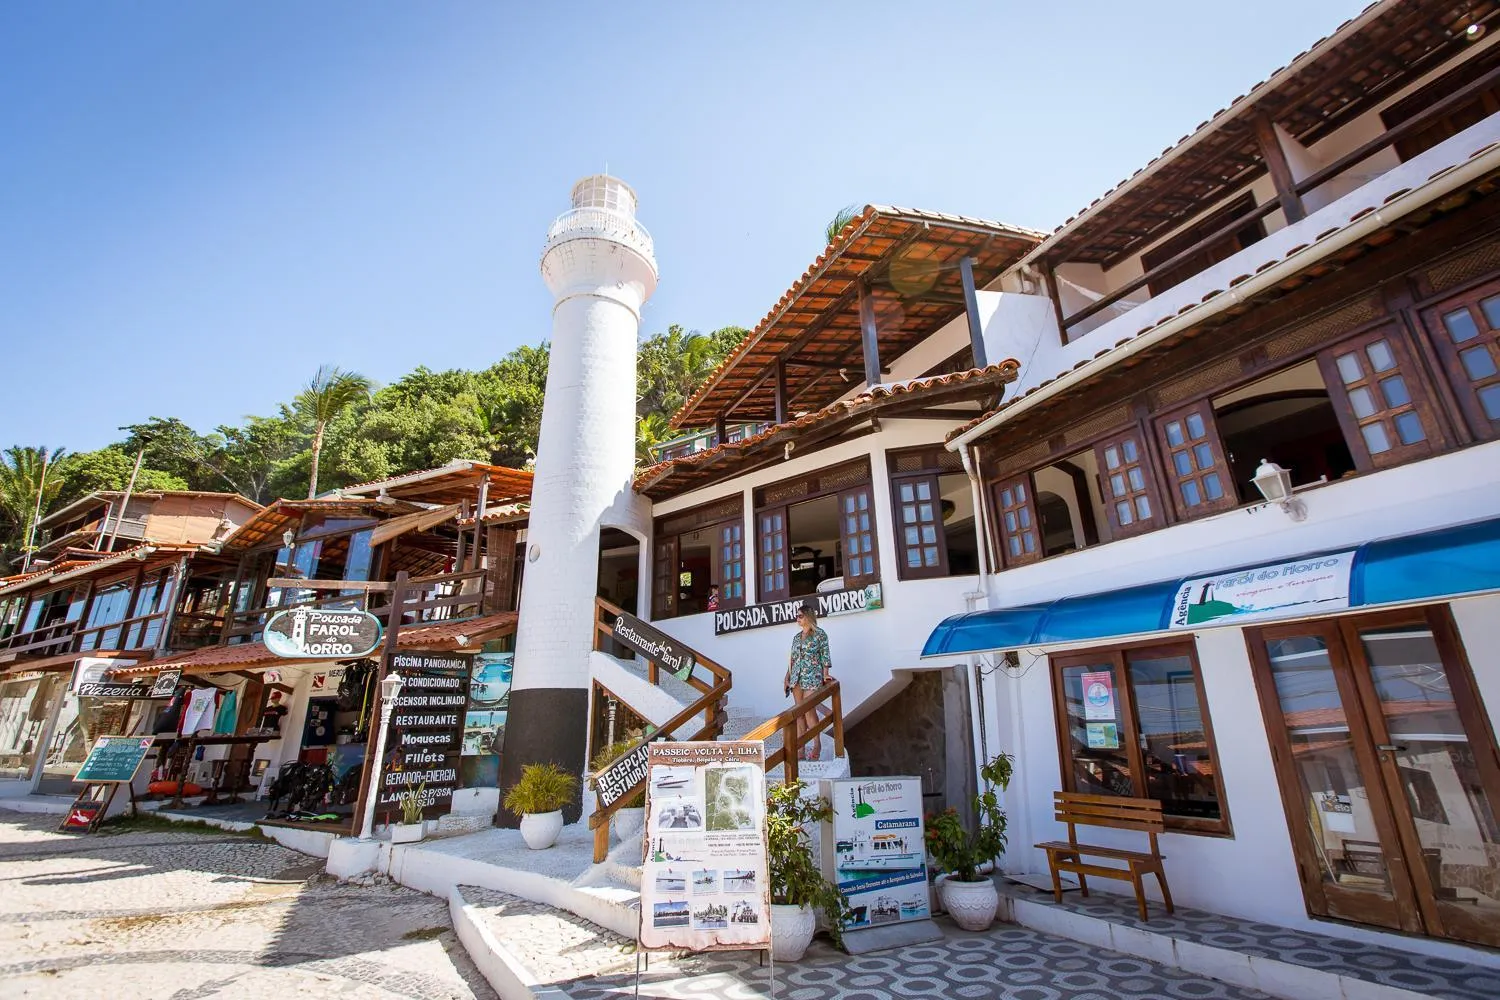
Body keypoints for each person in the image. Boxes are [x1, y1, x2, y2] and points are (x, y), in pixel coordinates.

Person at [782, 602, 832, 761]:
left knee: (809, 710)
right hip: (796, 677)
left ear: (808, 616)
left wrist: (825, 674)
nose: (797, 619)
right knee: (799, 714)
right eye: (796, 616)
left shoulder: (820, 634)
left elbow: (825, 655)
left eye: (800, 616)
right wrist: (786, 677)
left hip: (812, 676)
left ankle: (817, 744)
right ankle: (800, 749)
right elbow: (793, 659)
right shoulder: (796, 637)